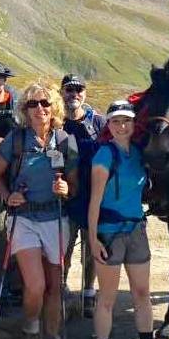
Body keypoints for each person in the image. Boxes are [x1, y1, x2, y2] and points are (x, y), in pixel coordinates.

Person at [0, 81, 79, 339]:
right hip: (24, 218)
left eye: (44, 103)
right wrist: (8, 197)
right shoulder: (16, 140)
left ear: (54, 108)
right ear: (24, 110)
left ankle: (50, 333)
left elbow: (74, 186)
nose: (39, 109)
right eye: (32, 104)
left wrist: (66, 190)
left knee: (54, 283)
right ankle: (29, 329)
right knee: (36, 284)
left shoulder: (65, 141)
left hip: (56, 217)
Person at [87, 100, 169, 339]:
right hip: (109, 233)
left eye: (127, 121)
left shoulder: (137, 153)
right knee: (107, 298)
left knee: (142, 293)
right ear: (108, 125)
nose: (122, 126)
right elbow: (94, 200)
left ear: (134, 125)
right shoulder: (103, 156)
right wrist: (93, 238)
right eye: (116, 121)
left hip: (136, 230)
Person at [61, 74, 107, 319]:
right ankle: (62, 292)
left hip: (94, 198)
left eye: (79, 90)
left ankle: (89, 293)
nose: (74, 95)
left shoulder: (99, 122)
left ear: (85, 94)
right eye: (69, 90)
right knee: (64, 250)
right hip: (66, 200)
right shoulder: (56, 123)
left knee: (91, 249)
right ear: (62, 93)